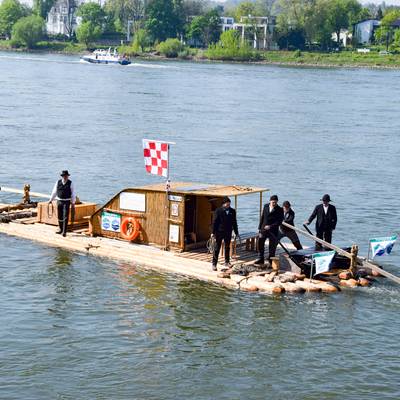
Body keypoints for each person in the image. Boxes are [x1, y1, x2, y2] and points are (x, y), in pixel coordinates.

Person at [211, 196, 239, 271]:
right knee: (217, 248)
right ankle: (214, 264)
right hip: (219, 232)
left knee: (227, 247)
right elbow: (215, 222)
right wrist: (213, 232)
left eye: (229, 204)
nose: (228, 205)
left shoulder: (232, 211)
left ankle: (227, 262)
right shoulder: (218, 211)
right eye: (227, 204)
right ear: (223, 204)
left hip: (228, 232)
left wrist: (236, 232)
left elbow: (234, 222)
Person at [255, 194, 284, 266]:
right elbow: (262, 217)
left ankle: (270, 260)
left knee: (272, 246)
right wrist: (259, 228)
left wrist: (270, 226)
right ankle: (260, 258)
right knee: (260, 243)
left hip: (273, 230)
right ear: (270, 201)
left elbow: (279, 221)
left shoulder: (280, 209)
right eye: (273, 202)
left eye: (275, 202)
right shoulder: (265, 206)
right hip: (263, 229)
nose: (274, 203)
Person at [48, 170, 76, 237]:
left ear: (68, 176)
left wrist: (73, 202)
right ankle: (60, 229)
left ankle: (64, 231)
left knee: (65, 216)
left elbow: (73, 193)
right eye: (64, 176)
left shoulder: (70, 183)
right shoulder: (58, 182)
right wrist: (50, 200)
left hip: (67, 201)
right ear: (62, 176)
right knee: (60, 216)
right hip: (59, 201)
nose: (65, 177)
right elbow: (54, 192)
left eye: (66, 176)